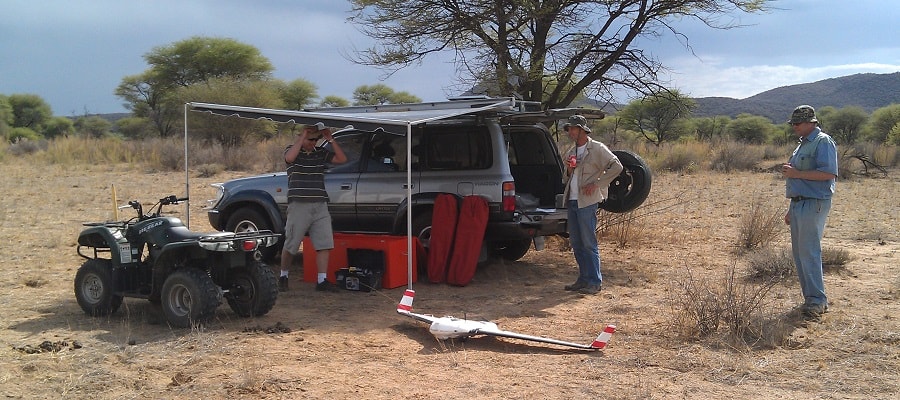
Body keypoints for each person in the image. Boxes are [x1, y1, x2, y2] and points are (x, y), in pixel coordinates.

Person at [781, 105, 838, 320]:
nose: (794, 126)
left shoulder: (823, 142)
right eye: (793, 123)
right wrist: (791, 208)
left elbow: (829, 173)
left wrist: (796, 172)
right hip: (799, 204)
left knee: (809, 252)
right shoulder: (803, 145)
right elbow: (798, 178)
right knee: (800, 253)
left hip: (813, 203)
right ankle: (811, 300)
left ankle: (817, 302)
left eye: (797, 123)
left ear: (810, 122)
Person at [279, 122, 347, 292]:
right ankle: (283, 275)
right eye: (310, 139)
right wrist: (302, 137)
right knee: (292, 243)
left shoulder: (321, 153)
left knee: (324, 243)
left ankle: (322, 280)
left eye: (316, 139)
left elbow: (341, 159)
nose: (313, 143)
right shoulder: (292, 150)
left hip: (320, 203)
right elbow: (289, 158)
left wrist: (330, 139)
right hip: (299, 204)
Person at [561, 115, 623, 295]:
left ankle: (595, 281)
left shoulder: (597, 148)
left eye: (573, 128)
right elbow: (566, 177)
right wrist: (569, 169)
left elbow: (616, 166)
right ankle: (583, 279)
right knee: (577, 242)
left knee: (588, 242)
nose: (570, 132)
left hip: (587, 201)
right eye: (569, 129)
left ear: (582, 129)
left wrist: (597, 184)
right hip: (573, 199)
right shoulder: (572, 150)